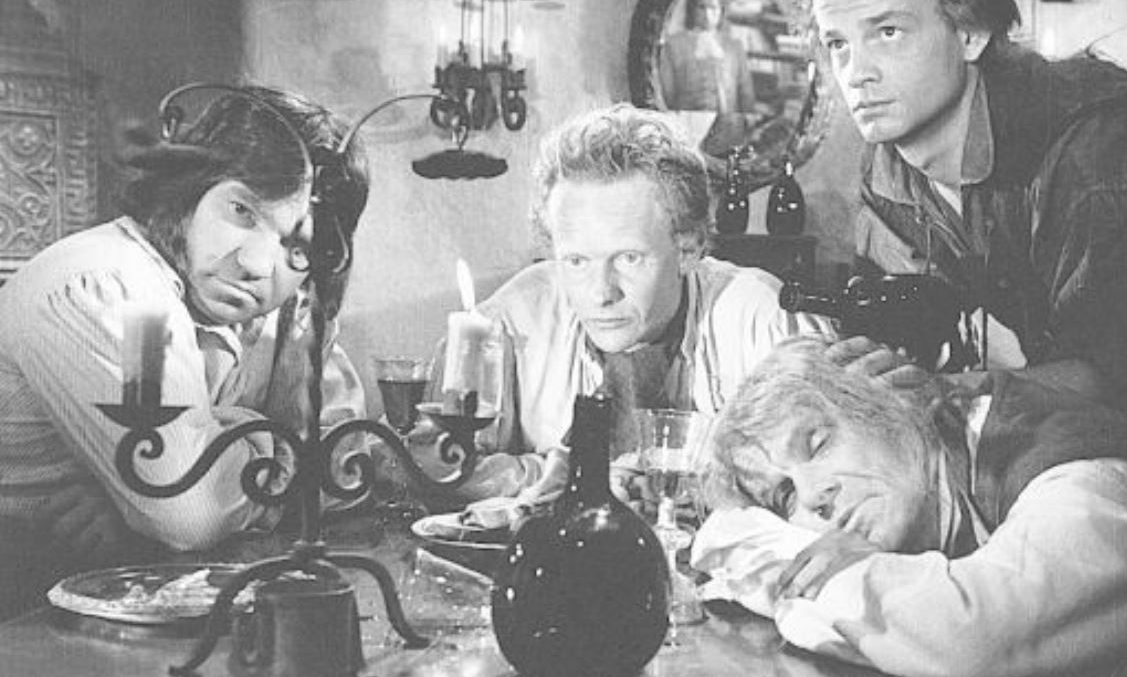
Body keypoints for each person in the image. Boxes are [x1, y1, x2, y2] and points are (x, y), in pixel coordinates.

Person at [808, 0, 1127, 510]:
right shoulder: (888, 171)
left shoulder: (1100, 146)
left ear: (970, 32)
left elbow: (1116, 378)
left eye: (887, 32)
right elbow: (902, 313)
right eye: (837, 43)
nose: (856, 73)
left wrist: (949, 391)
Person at [691, 337, 1127, 677]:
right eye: (784, 496)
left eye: (817, 442)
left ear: (889, 400)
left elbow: (978, 637)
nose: (814, 496)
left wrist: (796, 576)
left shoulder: (1088, 480)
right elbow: (722, 536)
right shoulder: (939, 486)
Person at [0, 86, 370, 616]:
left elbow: (350, 472)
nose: (256, 264)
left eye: (298, 245)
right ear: (188, 190)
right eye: (242, 211)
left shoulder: (281, 312)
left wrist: (140, 503)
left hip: (135, 594)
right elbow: (192, 512)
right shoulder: (107, 285)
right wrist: (271, 433)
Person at [406, 104, 831, 508]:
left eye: (629, 258)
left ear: (689, 248)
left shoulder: (764, 320)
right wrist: (574, 474)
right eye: (576, 261)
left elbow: (829, 482)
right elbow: (432, 468)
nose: (601, 293)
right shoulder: (506, 324)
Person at [659, 0, 758, 156]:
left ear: (720, 12)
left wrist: (748, 122)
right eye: (701, 7)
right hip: (686, 124)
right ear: (692, 10)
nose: (707, 14)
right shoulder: (674, 45)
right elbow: (667, 94)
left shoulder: (734, 47)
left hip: (728, 127)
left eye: (713, 8)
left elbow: (746, 93)